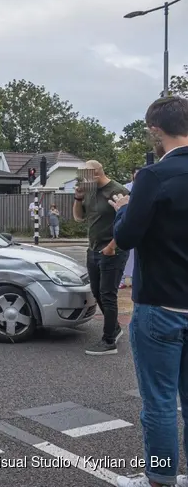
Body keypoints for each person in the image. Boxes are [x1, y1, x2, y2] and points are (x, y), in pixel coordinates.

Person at [109, 96, 188, 487]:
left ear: (156, 130)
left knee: (159, 403)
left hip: (160, 306)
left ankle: (159, 478)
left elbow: (127, 236)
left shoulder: (153, 177)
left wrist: (124, 207)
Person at [72, 159, 130, 356]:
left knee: (108, 294)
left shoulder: (118, 191)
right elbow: (79, 218)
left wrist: (112, 246)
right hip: (93, 250)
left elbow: (127, 223)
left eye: (85, 177)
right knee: (97, 292)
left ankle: (109, 341)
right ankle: (113, 328)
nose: (82, 181)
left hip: (113, 250)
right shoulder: (88, 192)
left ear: (96, 174)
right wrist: (78, 199)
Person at [120, 167, 140, 289]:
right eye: (135, 174)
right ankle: (121, 278)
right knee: (124, 251)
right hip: (127, 221)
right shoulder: (125, 188)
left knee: (136, 253)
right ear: (132, 175)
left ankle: (133, 278)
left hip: (140, 222)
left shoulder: (146, 186)